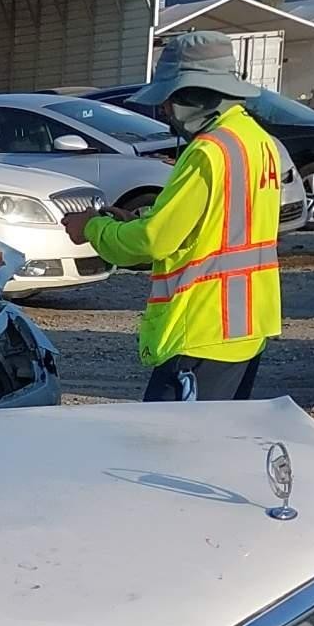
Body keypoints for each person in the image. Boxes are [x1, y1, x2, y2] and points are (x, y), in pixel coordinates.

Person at [62, 33, 285, 401]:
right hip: (246, 326)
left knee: (169, 450)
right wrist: (144, 217)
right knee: (214, 447)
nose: (165, 111)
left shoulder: (209, 150)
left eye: (169, 99)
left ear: (193, 94)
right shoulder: (257, 140)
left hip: (202, 330)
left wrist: (92, 227)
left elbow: (153, 241)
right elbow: (219, 223)